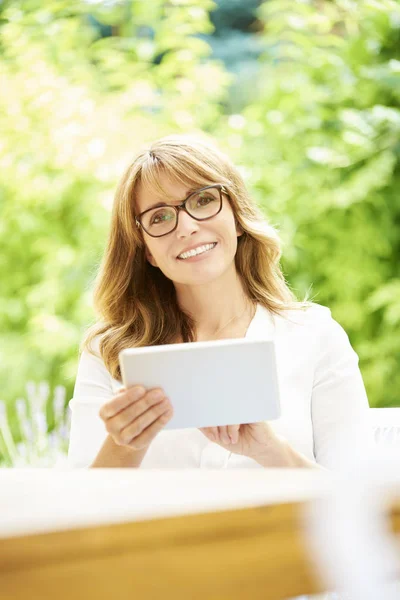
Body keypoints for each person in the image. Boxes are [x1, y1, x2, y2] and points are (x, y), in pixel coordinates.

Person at [68, 134, 371, 470]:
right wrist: (125, 445)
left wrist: (269, 450)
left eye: (202, 200)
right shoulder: (107, 352)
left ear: (237, 215)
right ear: (146, 252)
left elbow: (358, 502)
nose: (186, 227)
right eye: (159, 217)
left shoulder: (315, 336)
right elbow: (82, 508)